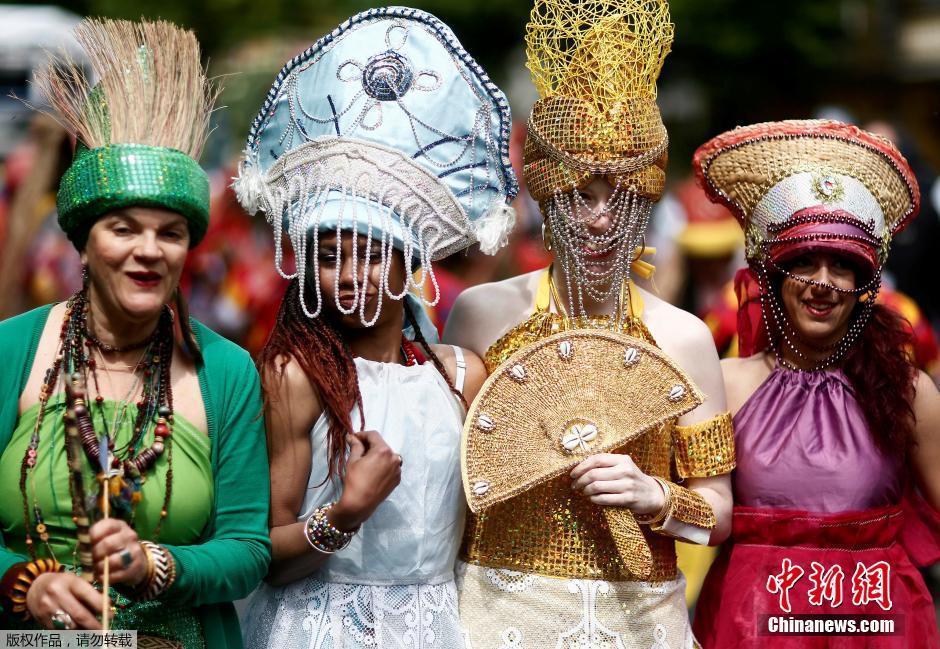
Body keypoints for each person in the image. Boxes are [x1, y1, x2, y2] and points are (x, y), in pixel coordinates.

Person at [443, 1, 734, 646]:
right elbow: (452, 479)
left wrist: (656, 496)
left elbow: (717, 517)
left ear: (645, 203)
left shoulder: (683, 337)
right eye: (581, 195)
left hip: (639, 621)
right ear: (549, 195)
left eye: (619, 198)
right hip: (498, 615)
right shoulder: (482, 314)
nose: (600, 220)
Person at [233, 7, 517, 647]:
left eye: (369, 254)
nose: (350, 276)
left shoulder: (461, 375)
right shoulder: (296, 374)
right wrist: (347, 511)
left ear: (408, 261)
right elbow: (265, 555)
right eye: (329, 257)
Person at [0, 18, 271, 648]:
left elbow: (247, 549)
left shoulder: (226, 370)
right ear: (83, 243)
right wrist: (26, 583)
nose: (148, 250)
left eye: (170, 233)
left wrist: (156, 564)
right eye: (123, 228)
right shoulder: (12, 349)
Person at [691, 119, 940, 648]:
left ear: (863, 284)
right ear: (774, 276)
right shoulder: (726, 384)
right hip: (751, 628)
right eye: (804, 262)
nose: (822, 283)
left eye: (841, 266)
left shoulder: (909, 391)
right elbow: (694, 512)